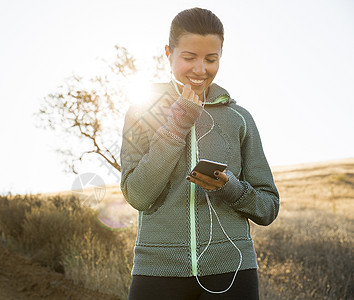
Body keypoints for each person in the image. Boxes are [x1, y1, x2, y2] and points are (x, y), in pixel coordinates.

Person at [119, 7, 280, 300]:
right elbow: (138, 195)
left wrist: (231, 188)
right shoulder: (142, 112)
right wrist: (177, 125)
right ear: (168, 53)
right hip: (157, 269)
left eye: (211, 59)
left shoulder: (239, 118)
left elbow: (269, 207)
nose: (200, 69)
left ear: (221, 55)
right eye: (189, 57)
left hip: (231, 269)